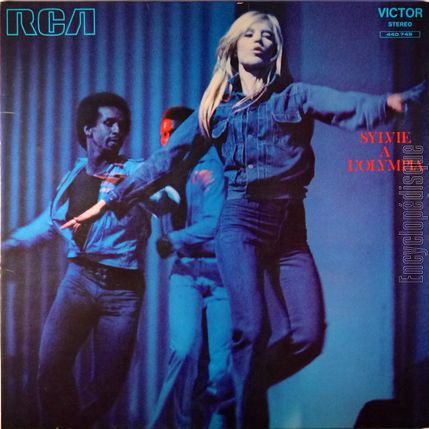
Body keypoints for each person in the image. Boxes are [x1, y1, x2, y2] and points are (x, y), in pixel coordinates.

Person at [62, 11, 425, 429]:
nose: (259, 40)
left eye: (268, 35)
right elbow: (166, 159)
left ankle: (222, 392)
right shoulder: (217, 111)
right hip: (241, 225)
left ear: (276, 50)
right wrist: (113, 200)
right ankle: (241, 409)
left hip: (290, 230)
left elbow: (342, 103)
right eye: (249, 33)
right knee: (251, 332)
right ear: (234, 47)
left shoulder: (294, 97)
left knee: (307, 337)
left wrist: (389, 103)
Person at [3, 92, 152, 429]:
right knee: (49, 369)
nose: (117, 131)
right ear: (88, 129)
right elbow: (50, 222)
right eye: (109, 123)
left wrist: (151, 191)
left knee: (106, 388)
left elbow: (162, 194)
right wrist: (11, 244)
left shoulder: (134, 171)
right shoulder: (72, 176)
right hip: (79, 281)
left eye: (122, 125)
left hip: (122, 292)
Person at [150, 106, 234, 429]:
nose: (168, 140)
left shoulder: (211, 166)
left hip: (219, 273)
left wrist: (173, 239)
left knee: (220, 366)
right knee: (183, 351)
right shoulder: (170, 171)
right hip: (186, 272)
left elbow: (214, 223)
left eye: (173, 132)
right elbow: (159, 202)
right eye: (164, 134)